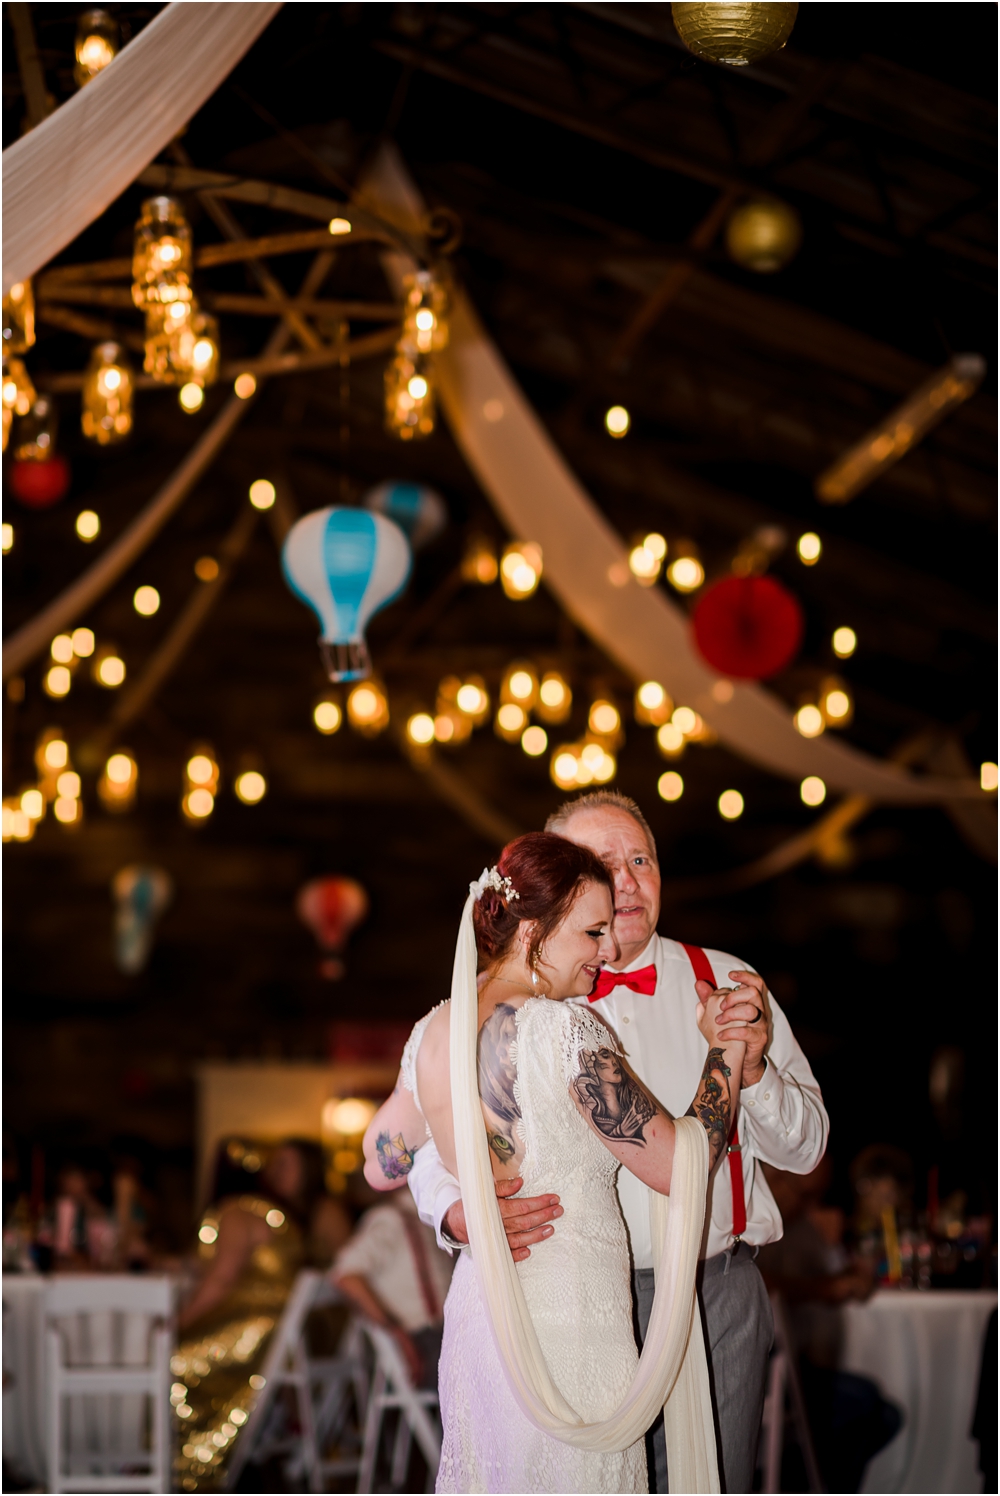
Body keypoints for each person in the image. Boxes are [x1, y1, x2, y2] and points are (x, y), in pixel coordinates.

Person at [409, 790, 829, 1493]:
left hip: (708, 1292)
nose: (628, 880)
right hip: (550, 1310)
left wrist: (751, 1067)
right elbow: (412, 1146)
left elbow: (808, 1148)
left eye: (642, 858)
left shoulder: (727, 981)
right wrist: (457, 1209)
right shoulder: (517, 1011)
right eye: (606, 862)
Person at [171, 1139, 349, 1492]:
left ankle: (194, 1457)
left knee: (198, 1351)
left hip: (312, 1320)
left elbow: (347, 1269)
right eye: (274, 1164)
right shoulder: (277, 1213)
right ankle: (264, 1435)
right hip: (289, 1322)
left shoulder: (319, 1211)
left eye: (286, 1165)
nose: (274, 1171)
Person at [332, 1185, 453, 1389]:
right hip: (422, 1340)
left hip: (445, 1332)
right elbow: (346, 1275)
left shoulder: (427, 1217)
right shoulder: (391, 1220)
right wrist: (395, 1333)